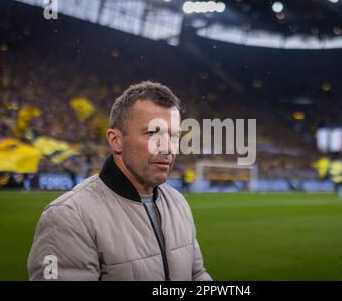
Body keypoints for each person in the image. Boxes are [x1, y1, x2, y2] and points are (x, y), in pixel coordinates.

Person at [27, 81, 212, 281]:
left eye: (174, 136)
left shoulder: (178, 202)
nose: (168, 147)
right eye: (152, 133)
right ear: (116, 140)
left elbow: (197, 275)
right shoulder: (67, 217)